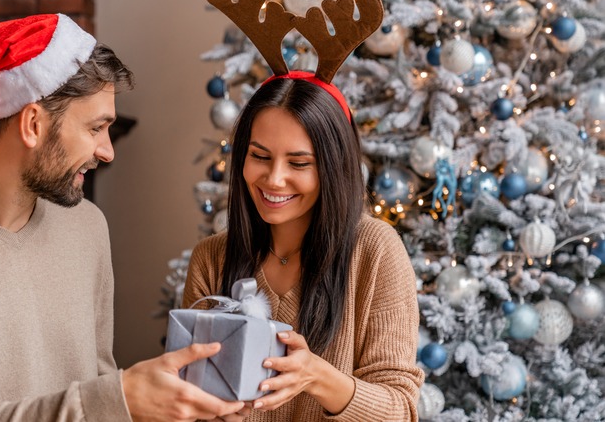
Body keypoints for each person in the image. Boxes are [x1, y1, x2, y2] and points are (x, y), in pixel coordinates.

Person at [0, 13, 247, 422]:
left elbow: (98, 391)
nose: (108, 151)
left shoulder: (86, 226)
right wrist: (119, 398)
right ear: (33, 124)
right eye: (96, 128)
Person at [182, 74, 425, 421]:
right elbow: (187, 396)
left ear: (332, 166)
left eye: (299, 163)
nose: (274, 178)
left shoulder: (375, 251)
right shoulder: (211, 258)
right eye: (260, 156)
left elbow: (400, 410)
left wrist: (316, 376)